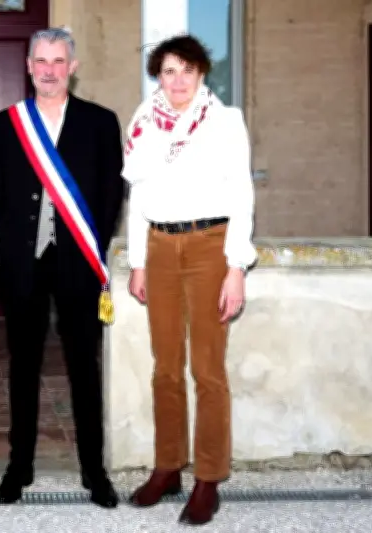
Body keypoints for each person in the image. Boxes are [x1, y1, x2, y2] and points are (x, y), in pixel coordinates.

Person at [0, 27, 125, 508]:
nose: (49, 70)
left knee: (84, 369)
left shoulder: (101, 123)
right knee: (22, 370)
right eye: (40, 61)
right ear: (28, 66)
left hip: (78, 265)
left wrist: (91, 251)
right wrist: (0, 265)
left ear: (73, 67)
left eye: (58, 61)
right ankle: (18, 466)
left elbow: (110, 197)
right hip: (23, 267)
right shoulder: (5, 124)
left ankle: (94, 470)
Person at [121, 34, 257, 526]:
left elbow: (240, 197)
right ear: (158, 75)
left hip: (208, 247)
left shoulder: (225, 121)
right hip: (158, 246)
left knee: (207, 370)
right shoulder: (143, 122)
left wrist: (235, 267)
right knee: (165, 367)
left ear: (203, 74)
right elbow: (138, 194)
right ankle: (168, 466)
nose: (177, 81)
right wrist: (137, 260)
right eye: (169, 71)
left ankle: (208, 477)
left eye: (187, 70)